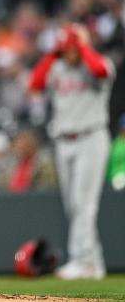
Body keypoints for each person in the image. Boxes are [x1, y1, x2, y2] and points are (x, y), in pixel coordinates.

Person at [28, 23, 114, 280]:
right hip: (64, 141)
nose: (70, 52)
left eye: (72, 47)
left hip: (91, 137)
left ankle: (84, 261)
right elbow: (35, 83)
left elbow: (99, 70)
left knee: (83, 204)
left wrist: (82, 44)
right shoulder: (57, 67)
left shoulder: (99, 64)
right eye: (66, 48)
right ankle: (92, 262)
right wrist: (54, 53)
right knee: (72, 205)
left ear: (83, 45)